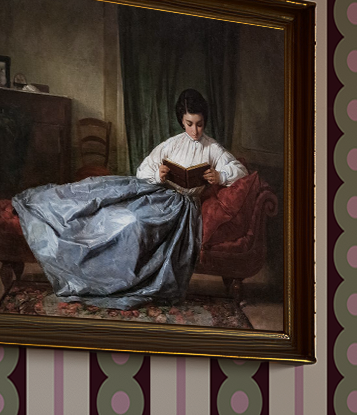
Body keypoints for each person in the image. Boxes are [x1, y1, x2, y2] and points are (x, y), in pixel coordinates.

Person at [12, 90, 245, 309]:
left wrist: (220, 175)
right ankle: (97, 267)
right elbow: (143, 170)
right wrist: (159, 174)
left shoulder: (212, 147)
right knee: (111, 206)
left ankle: (125, 281)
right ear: (181, 121)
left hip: (183, 208)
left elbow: (240, 171)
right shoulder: (172, 144)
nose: (195, 130)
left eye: (199, 124)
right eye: (189, 124)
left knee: (136, 224)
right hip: (159, 195)